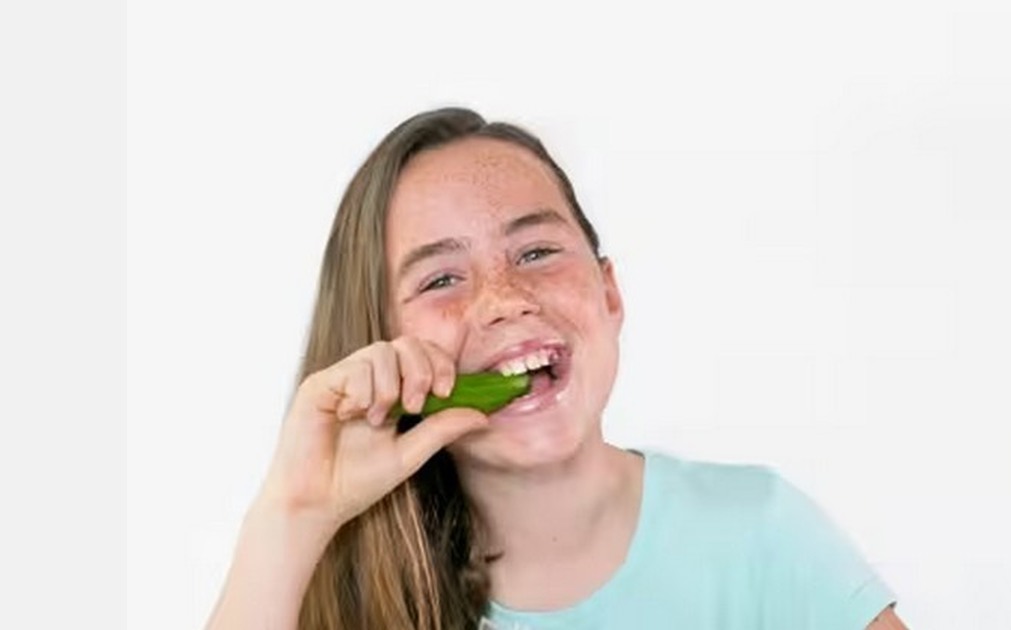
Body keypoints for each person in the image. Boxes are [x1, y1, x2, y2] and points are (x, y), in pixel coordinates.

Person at [205, 107, 907, 630]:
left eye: (536, 252)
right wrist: (293, 514)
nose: (503, 300)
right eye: (442, 279)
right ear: (381, 348)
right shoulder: (337, 599)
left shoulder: (760, 531)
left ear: (609, 294)